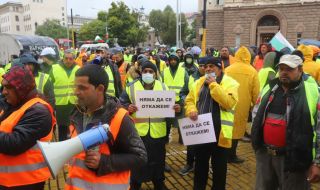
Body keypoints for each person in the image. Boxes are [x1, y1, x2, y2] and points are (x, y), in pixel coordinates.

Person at [65, 64, 147, 190]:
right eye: (75, 86)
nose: (76, 92)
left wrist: (103, 162)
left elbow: (140, 157)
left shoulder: (119, 118)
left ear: (100, 89)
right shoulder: (76, 113)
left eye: (82, 88)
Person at [251, 54, 320, 189]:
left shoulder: (313, 91)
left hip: (295, 159)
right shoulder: (269, 88)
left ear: (300, 70)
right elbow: (256, 115)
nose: (284, 72)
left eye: (289, 69)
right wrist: (257, 145)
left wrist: (317, 163)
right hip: (265, 156)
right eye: (281, 68)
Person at [120, 61, 181, 189]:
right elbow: (120, 105)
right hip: (138, 132)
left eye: (151, 71)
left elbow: (173, 106)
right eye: (145, 71)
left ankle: (158, 181)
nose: (148, 74)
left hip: (158, 132)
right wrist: (127, 107)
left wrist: (176, 108)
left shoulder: (164, 87)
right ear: (141, 73)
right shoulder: (131, 87)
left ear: (155, 73)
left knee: (158, 159)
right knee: (137, 159)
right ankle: (135, 182)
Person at [185, 56, 239, 190]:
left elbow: (228, 103)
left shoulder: (231, 83)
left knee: (219, 170)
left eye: (212, 66)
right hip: (201, 132)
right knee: (200, 168)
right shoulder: (198, 82)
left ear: (220, 68)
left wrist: (213, 84)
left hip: (220, 133)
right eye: (206, 66)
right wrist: (191, 110)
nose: (208, 69)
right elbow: (190, 100)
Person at [0, 66, 55, 190]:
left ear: (21, 89)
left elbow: (14, 143)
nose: (4, 92)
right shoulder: (16, 104)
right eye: (3, 87)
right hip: (9, 181)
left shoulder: (38, 111)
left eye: (9, 87)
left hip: (25, 183)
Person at [225, 46, 260, 163]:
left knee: (226, 127)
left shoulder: (228, 69)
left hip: (227, 101)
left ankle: (224, 153)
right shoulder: (252, 71)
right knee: (238, 129)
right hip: (243, 105)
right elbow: (256, 93)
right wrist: (256, 107)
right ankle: (231, 155)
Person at [178, 57, 206, 176]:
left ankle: (202, 165)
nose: (204, 68)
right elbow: (183, 92)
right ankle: (189, 164)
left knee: (205, 143)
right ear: (198, 66)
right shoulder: (191, 77)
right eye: (202, 65)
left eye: (207, 66)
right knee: (191, 142)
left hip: (206, 115)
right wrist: (187, 102)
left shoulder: (214, 80)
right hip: (192, 113)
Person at [49, 49, 79, 141]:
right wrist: (52, 102)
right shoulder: (54, 68)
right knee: (62, 127)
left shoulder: (78, 69)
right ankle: (62, 144)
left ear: (74, 59)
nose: (68, 61)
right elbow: (49, 87)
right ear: (63, 58)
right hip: (60, 104)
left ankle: (74, 146)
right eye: (66, 58)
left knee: (74, 127)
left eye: (71, 59)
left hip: (75, 104)